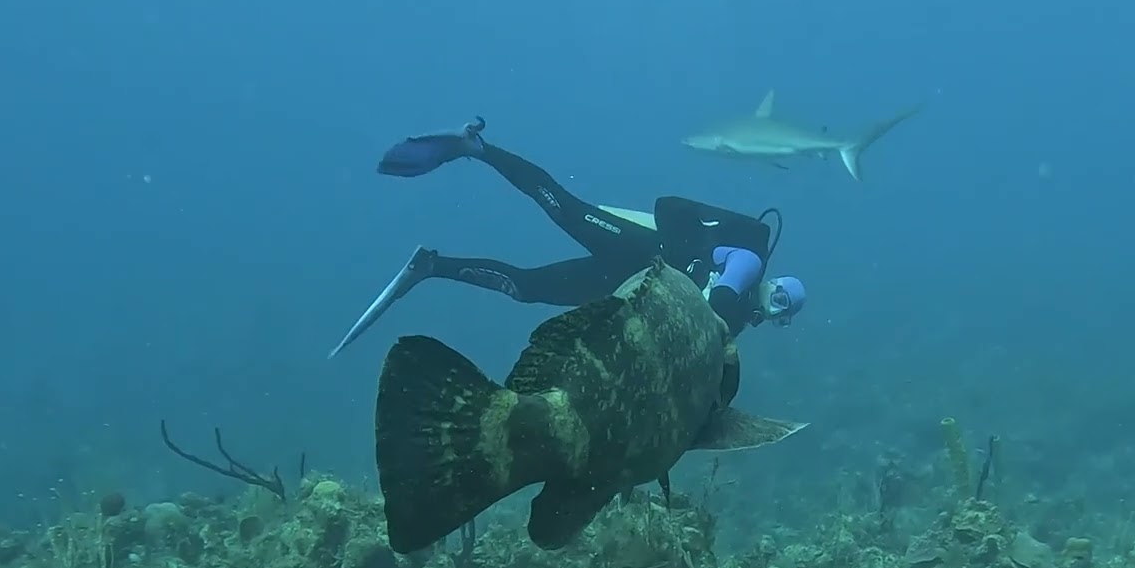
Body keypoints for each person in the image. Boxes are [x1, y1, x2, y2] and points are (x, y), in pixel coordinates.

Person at [329, 117, 807, 358]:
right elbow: (721, 297)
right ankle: (476, 146)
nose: (775, 308)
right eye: (782, 298)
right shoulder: (751, 264)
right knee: (560, 205)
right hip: (634, 247)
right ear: (776, 282)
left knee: (527, 289)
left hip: (621, 283)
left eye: (782, 312)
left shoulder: (738, 315)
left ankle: (431, 266)